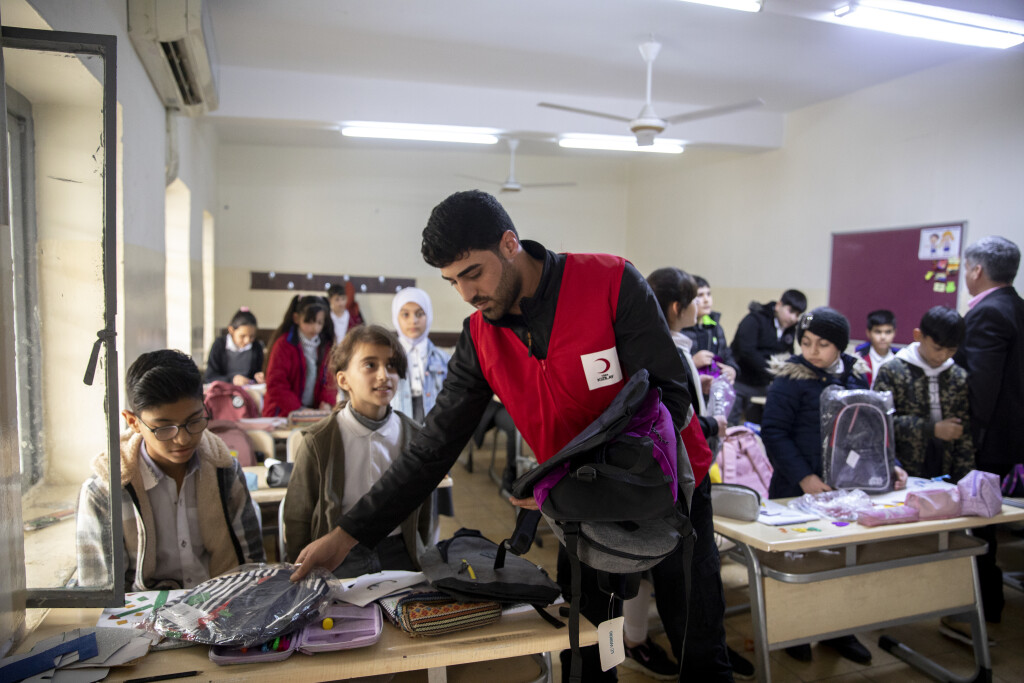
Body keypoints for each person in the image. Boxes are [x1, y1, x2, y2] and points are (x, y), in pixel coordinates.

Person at [291, 190, 732, 682]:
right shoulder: (480, 337)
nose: (465, 293)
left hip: (672, 490)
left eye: (473, 273)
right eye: (452, 281)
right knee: (588, 643)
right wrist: (347, 533)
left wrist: (566, 476)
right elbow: (432, 447)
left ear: (508, 244)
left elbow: (670, 396)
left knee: (697, 637)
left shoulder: (609, 282)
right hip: (580, 503)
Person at [760, 307, 906, 666]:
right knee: (796, 562)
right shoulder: (789, 379)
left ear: (840, 347)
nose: (812, 351)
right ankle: (791, 630)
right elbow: (774, 432)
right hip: (794, 490)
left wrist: (894, 466)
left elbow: (874, 427)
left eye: (823, 345)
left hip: (844, 489)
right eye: (806, 342)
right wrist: (803, 478)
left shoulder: (855, 376)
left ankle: (837, 630)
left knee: (839, 559)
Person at [643, 267, 755, 680]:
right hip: (684, 479)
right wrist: (711, 427)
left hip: (680, 475)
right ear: (678, 306)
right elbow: (673, 420)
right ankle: (706, 664)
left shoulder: (665, 344)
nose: (700, 306)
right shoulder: (667, 351)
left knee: (687, 582)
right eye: (695, 299)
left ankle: (705, 656)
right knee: (695, 583)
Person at [76, 350, 265, 591]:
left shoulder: (225, 472)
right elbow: (101, 594)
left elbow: (251, 568)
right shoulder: (105, 492)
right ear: (133, 421)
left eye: (194, 421)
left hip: (221, 609)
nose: (183, 439)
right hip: (141, 621)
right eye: (164, 428)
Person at [283, 325, 435, 576]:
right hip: (338, 556)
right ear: (343, 379)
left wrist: (420, 552)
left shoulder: (416, 437)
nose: (384, 375)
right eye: (370, 365)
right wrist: (303, 572)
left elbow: (424, 511)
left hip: (399, 550)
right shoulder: (319, 441)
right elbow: (298, 515)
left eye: (392, 365)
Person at [953, 235, 1024, 626]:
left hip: (989, 443)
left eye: (966, 268)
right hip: (1013, 442)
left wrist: (966, 441)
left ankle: (980, 607)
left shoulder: (987, 313)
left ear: (976, 270)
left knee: (979, 524)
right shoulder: (1018, 307)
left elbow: (981, 388)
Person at [873, 306, 973, 482]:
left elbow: (964, 435)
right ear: (918, 335)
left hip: (945, 467)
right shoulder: (893, 371)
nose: (943, 356)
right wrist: (931, 429)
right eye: (937, 348)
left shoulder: (958, 376)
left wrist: (966, 479)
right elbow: (878, 423)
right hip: (902, 469)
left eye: (951, 351)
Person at [729, 289, 806, 424]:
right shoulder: (754, 320)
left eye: (798, 314)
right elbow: (746, 351)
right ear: (778, 305)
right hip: (739, 383)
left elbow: (788, 355)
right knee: (731, 427)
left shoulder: (790, 330)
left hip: (763, 386)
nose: (794, 318)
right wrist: (773, 370)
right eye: (791, 311)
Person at [262, 295, 337, 417]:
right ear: (296, 318)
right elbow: (276, 384)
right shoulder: (284, 344)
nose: (315, 328)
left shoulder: (326, 346)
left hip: (314, 413)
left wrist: (326, 402)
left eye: (319, 323)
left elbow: (330, 380)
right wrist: (299, 410)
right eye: (309, 322)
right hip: (283, 413)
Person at [391, 287, 450, 423]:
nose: (413, 321)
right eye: (405, 315)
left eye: (420, 314)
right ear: (396, 317)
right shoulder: (388, 358)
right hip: (397, 421)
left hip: (434, 421)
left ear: (428, 315)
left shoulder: (444, 359)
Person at [681, 275, 738, 396]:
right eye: (700, 295)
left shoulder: (715, 327)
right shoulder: (681, 329)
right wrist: (692, 362)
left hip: (712, 391)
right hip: (688, 392)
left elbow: (726, 355)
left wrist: (732, 369)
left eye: (708, 294)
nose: (707, 300)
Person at [203, 308, 266, 386]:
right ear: (231, 330)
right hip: (224, 390)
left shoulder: (256, 347)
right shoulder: (219, 345)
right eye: (242, 336)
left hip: (249, 391)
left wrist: (259, 376)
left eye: (252, 336)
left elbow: (257, 372)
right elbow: (210, 377)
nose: (247, 340)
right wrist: (232, 380)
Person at [853, 309, 896, 389]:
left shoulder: (899, 359)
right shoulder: (859, 358)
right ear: (868, 333)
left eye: (888, 332)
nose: (883, 337)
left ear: (894, 333)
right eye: (878, 332)